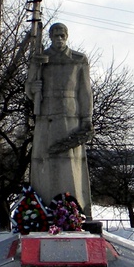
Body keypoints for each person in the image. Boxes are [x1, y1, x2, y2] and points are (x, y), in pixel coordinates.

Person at [26, 23, 93, 213]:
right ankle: (43, 209)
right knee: (43, 160)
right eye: (55, 35)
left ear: (67, 36)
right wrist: (34, 89)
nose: (59, 38)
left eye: (62, 35)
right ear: (49, 36)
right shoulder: (39, 60)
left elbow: (85, 92)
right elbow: (29, 88)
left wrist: (87, 117)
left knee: (71, 163)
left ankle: (74, 209)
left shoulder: (78, 60)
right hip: (45, 116)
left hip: (71, 117)